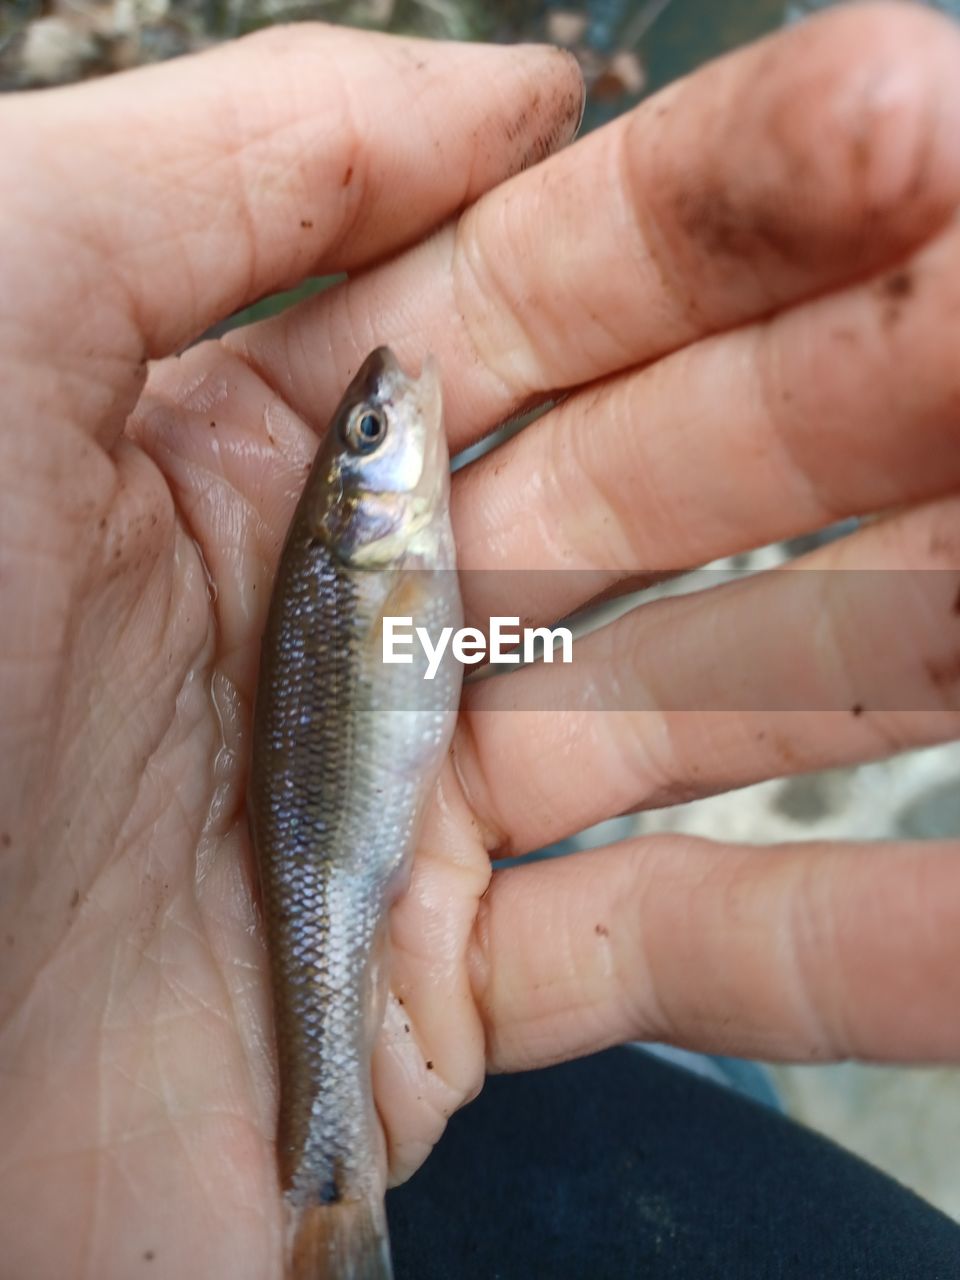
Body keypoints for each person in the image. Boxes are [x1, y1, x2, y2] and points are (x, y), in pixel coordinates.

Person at [1, 3, 959, 1276]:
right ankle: (342, 1181)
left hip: (353, 845)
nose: (387, 411)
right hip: (355, 861)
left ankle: (366, 1164)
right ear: (361, 506)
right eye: (369, 441)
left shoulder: (383, 555)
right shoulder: (374, 555)